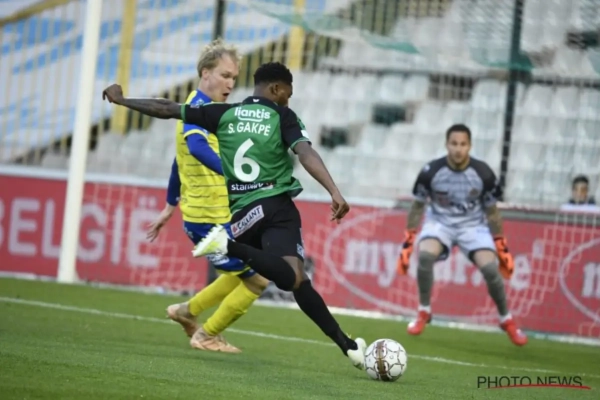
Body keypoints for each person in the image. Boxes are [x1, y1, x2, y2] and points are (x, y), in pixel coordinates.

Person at [102, 62, 367, 370]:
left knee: (292, 279)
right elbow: (305, 153)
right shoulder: (283, 117)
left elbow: (167, 108)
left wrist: (123, 101)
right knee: (292, 280)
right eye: (287, 94)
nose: (288, 100)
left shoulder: (223, 114)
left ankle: (348, 346)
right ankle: (226, 251)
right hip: (275, 206)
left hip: (241, 218)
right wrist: (334, 191)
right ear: (276, 89)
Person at [145, 39, 269, 353]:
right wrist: (233, 173)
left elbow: (179, 162)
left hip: (220, 216)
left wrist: (169, 205)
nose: (231, 84)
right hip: (206, 221)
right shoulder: (196, 109)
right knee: (258, 279)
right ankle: (207, 335)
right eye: (225, 75)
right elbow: (197, 148)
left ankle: (187, 312)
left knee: (242, 274)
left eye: (234, 77)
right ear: (205, 73)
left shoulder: (205, 110)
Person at [396, 124, 528, 346]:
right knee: (425, 256)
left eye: (463, 144)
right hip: (440, 223)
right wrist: (408, 243)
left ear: (470, 146)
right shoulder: (431, 172)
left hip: (473, 226)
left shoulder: (483, 173)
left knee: (490, 269)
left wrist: (501, 246)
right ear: (446, 145)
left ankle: (506, 319)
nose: (458, 149)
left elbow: (492, 212)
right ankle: (424, 311)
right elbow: (417, 207)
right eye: (454, 144)